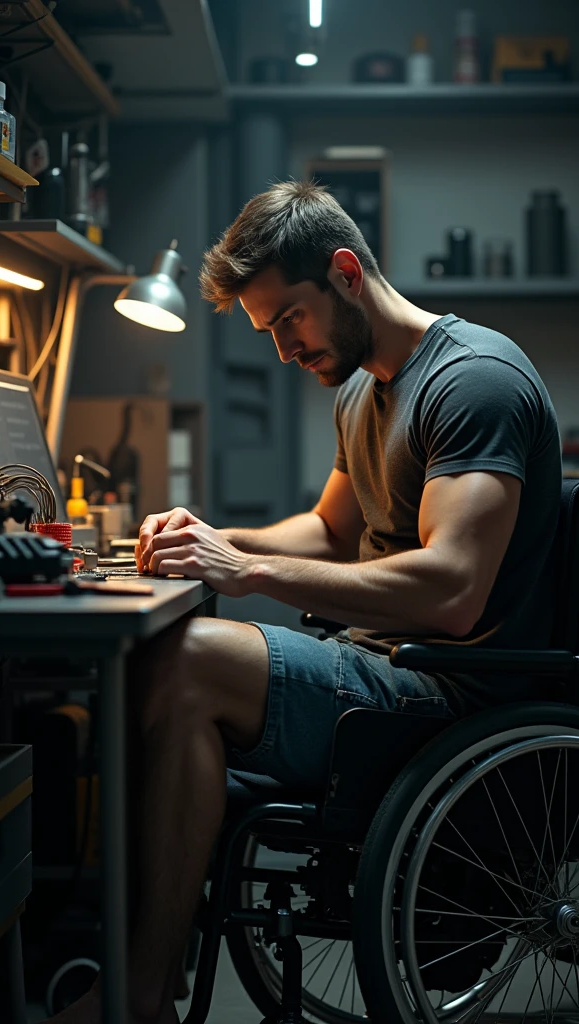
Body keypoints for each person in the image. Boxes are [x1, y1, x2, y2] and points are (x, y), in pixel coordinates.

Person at [51, 180, 561, 1023]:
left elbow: (452, 593)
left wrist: (242, 574)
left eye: (290, 318)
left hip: (449, 695)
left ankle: (139, 991)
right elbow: (328, 533)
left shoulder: (474, 382)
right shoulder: (364, 388)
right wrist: (215, 538)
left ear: (346, 271)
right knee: (160, 662)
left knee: (187, 661)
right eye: (268, 331)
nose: (284, 349)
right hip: (384, 671)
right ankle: (148, 970)